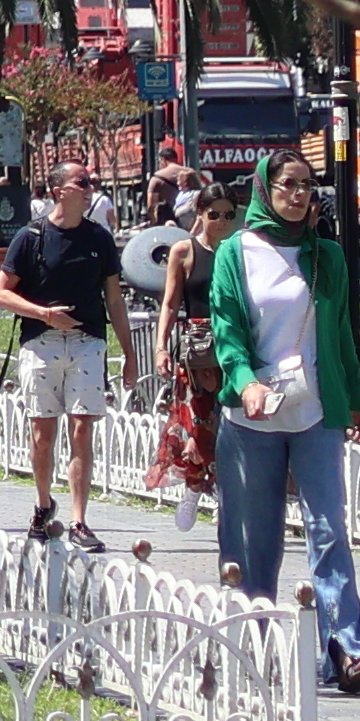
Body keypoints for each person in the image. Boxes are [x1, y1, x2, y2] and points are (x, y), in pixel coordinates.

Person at [205, 149, 360, 695]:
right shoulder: (235, 252)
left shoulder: (326, 255)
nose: (298, 194)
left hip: (315, 410)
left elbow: (341, 336)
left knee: (329, 527)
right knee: (253, 536)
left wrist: (357, 401)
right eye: (287, 184)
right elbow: (227, 331)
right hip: (253, 415)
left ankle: (348, 646)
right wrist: (246, 383)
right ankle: (256, 642)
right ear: (265, 189)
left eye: (307, 184)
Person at [0, 161, 124, 536]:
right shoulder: (31, 236)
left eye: (91, 182)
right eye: (81, 182)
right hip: (41, 342)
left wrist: (130, 355)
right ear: (59, 191)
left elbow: (114, 300)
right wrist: (45, 315)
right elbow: (2, 294)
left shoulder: (99, 238)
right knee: (43, 432)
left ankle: (79, 519)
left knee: (83, 428)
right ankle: (43, 502)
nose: (89, 188)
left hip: (87, 342)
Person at [135, 172, 230, 520]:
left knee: (231, 424)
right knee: (197, 422)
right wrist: (161, 346)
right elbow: (171, 303)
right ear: (200, 213)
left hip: (234, 347)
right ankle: (193, 486)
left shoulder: (240, 250)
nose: (221, 222)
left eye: (228, 214)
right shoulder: (185, 251)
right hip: (199, 350)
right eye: (214, 214)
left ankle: (225, 493)